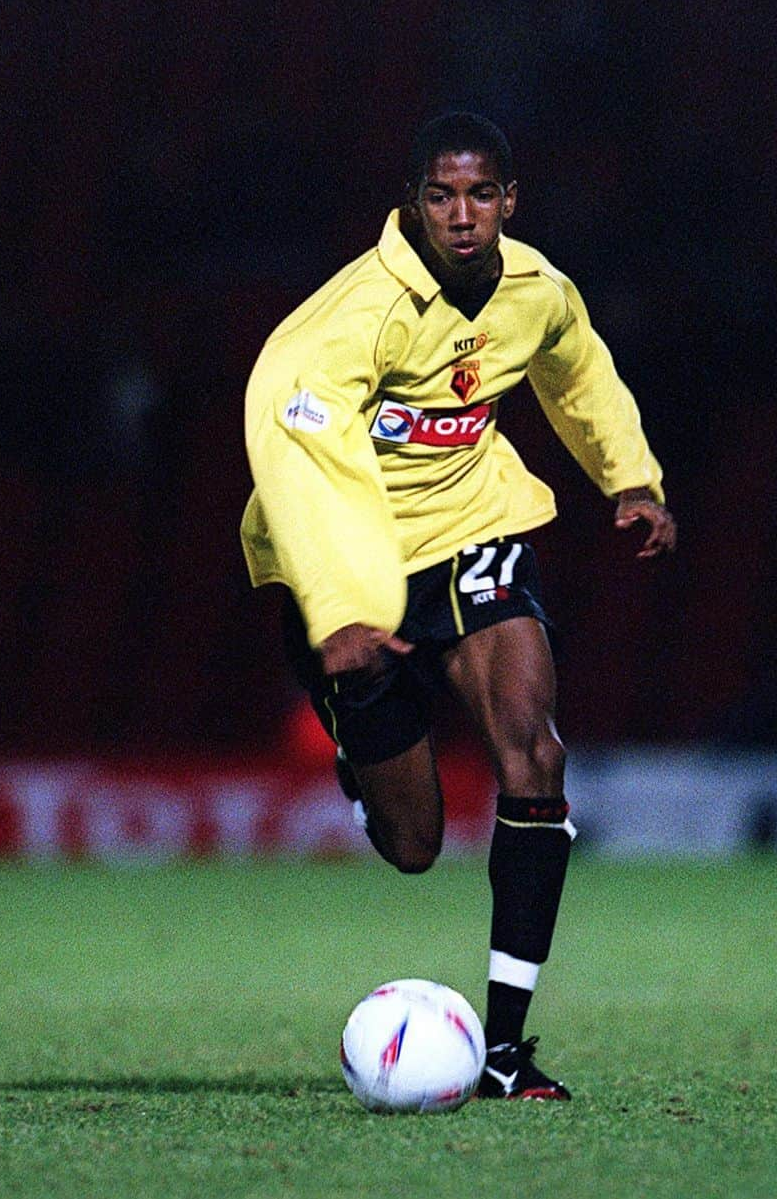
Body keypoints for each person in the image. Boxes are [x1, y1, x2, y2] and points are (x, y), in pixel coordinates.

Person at [241, 112, 676, 1100]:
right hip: (352, 560)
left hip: (473, 532)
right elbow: (296, 461)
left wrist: (631, 478)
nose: (463, 215)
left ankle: (506, 1052)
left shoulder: (535, 290)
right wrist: (343, 609)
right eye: (442, 195)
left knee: (535, 750)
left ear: (510, 200)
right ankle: (361, 742)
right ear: (413, 200)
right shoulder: (350, 319)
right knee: (414, 844)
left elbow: (579, 368)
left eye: (482, 194)